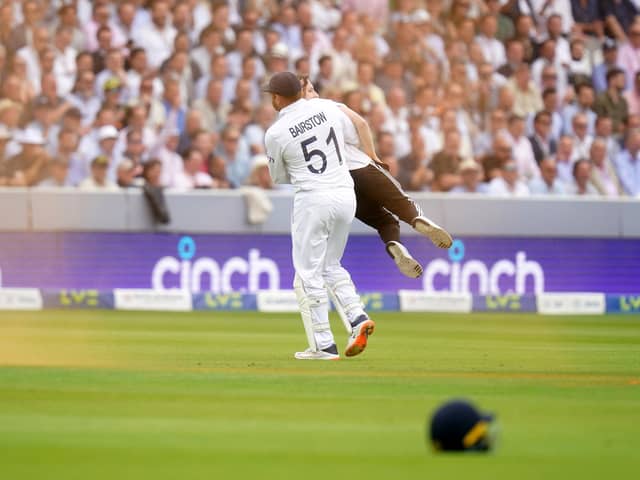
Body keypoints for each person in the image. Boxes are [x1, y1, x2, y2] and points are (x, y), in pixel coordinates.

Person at [263, 71, 374, 361]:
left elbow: (278, 176)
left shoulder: (276, 132)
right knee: (330, 265)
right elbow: (354, 135)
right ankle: (357, 317)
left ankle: (323, 345)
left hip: (313, 199)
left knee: (307, 274)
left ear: (276, 97)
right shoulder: (326, 107)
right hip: (345, 194)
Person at [300, 77, 452, 279]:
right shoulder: (327, 106)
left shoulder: (289, 127)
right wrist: (372, 154)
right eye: (311, 90)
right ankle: (417, 219)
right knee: (401, 202)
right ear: (300, 95)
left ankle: (394, 244)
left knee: (384, 221)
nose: (316, 94)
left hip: (337, 187)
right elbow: (361, 124)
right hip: (358, 166)